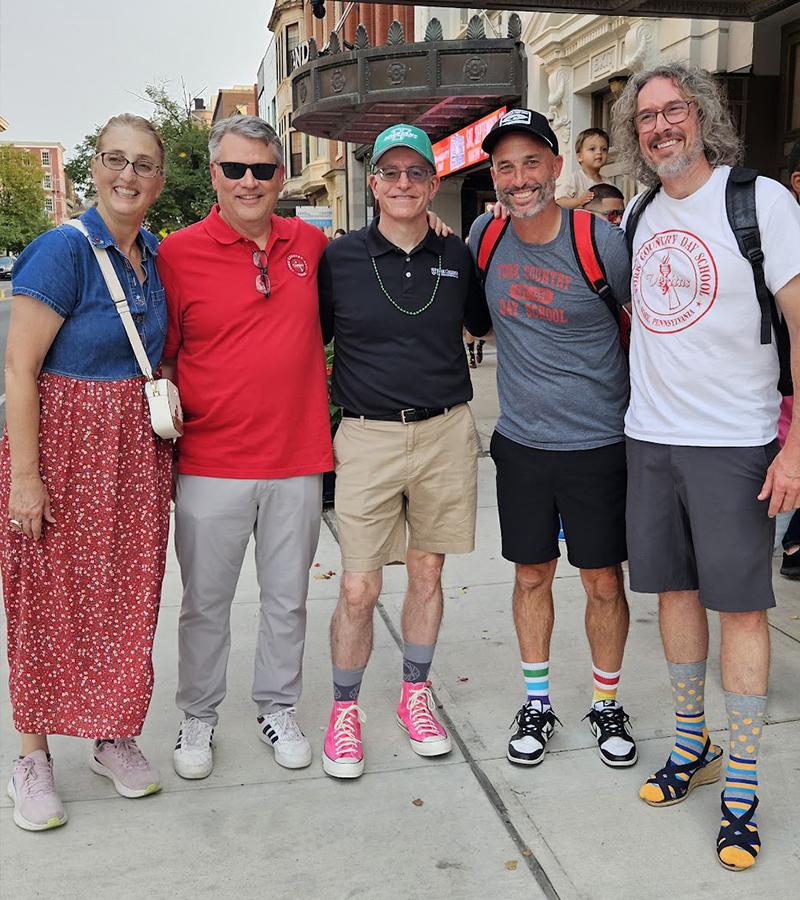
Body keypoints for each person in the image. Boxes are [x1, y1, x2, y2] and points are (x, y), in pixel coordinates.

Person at [612, 61, 800, 871]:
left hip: (737, 445)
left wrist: (797, 445)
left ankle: (743, 786)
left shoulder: (763, 202)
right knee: (676, 598)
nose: (660, 127)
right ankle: (694, 746)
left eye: (673, 110)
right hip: (650, 440)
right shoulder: (644, 211)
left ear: (702, 115)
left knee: (744, 612)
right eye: (646, 117)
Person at [2, 114, 172, 831]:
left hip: (135, 451)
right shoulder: (60, 251)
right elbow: (20, 371)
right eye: (113, 160)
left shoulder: (155, 254)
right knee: (44, 598)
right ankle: (33, 757)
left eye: (142, 164)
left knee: (127, 597)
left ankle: (111, 736)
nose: (127, 175)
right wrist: (27, 477)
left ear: (160, 179)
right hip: (64, 445)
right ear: (93, 167)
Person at [157, 116, 332, 779]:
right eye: (235, 169)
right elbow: (164, 357)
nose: (249, 182)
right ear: (214, 175)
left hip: (297, 459)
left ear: (280, 176)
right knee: (206, 603)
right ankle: (198, 715)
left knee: (287, 599)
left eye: (262, 169)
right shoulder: (178, 255)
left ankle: (276, 705)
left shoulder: (311, 244)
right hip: (210, 463)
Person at [317, 124, 491, 779]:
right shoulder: (340, 260)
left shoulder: (458, 256)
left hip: (446, 433)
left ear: (433, 183)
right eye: (390, 173)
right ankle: (344, 710)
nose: (402, 184)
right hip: (367, 435)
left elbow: (481, 321)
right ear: (372, 183)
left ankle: (415, 696)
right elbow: (306, 341)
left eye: (415, 173)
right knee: (359, 587)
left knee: (427, 576)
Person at [468, 109, 637, 771]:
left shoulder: (601, 242)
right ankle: (536, 702)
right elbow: (475, 322)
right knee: (531, 575)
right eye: (505, 166)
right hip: (522, 443)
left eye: (531, 162)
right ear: (493, 176)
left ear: (556, 167)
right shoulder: (485, 237)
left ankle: (605, 703)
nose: (519, 178)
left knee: (601, 582)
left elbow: (648, 329)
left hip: (599, 443)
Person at [555, 127, 609, 209]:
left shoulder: (609, 184)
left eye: (604, 149)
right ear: (579, 157)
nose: (599, 152)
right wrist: (578, 201)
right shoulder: (574, 179)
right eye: (592, 149)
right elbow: (559, 202)